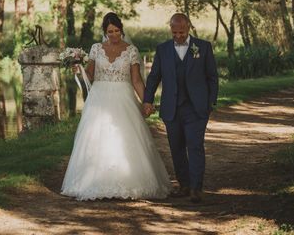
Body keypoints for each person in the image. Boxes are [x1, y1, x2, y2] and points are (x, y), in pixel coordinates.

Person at [61, 12, 171, 200]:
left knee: (124, 138)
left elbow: (136, 80)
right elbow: (90, 75)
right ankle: (93, 183)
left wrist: (146, 102)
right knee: (96, 138)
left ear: (121, 30)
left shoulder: (131, 50)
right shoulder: (96, 48)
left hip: (123, 97)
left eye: (116, 31)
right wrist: (78, 70)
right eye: (109, 31)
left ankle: (129, 182)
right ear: (104, 32)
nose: (113, 35)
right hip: (99, 98)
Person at [142, 13, 219, 203]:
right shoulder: (162, 49)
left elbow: (212, 77)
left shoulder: (203, 47)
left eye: (182, 32)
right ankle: (184, 185)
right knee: (176, 149)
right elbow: (154, 77)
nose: (178, 36)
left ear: (189, 27)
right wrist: (147, 100)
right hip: (171, 108)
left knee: (194, 146)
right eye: (174, 32)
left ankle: (196, 188)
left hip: (196, 109)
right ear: (170, 29)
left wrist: (210, 103)